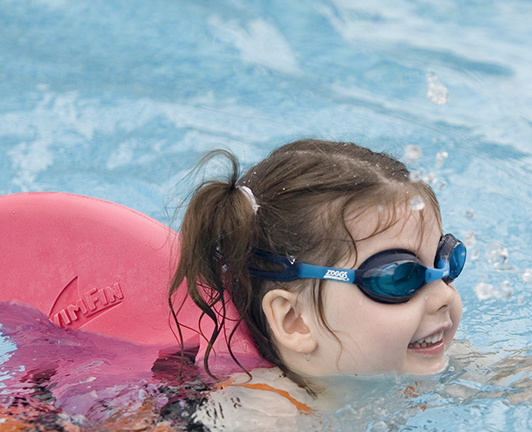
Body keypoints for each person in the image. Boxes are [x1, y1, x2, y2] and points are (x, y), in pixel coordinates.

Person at [170, 138, 466, 415]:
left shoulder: (423, 359)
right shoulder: (260, 423)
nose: (443, 296)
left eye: (446, 260)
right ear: (295, 320)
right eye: (399, 276)